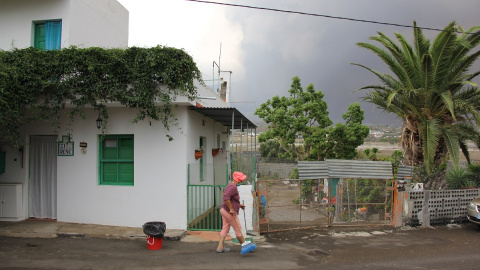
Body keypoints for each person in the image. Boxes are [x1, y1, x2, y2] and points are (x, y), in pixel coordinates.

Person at [216, 171, 247, 253]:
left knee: (225, 228)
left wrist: (239, 205)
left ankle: (220, 247)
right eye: (241, 180)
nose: (242, 182)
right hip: (228, 211)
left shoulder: (231, 185)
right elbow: (226, 198)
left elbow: (231, 199)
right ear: (238, 180)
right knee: (238, 228)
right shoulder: (233, 187)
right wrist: (231, 209)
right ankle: (245, 246)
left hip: (224, 210)